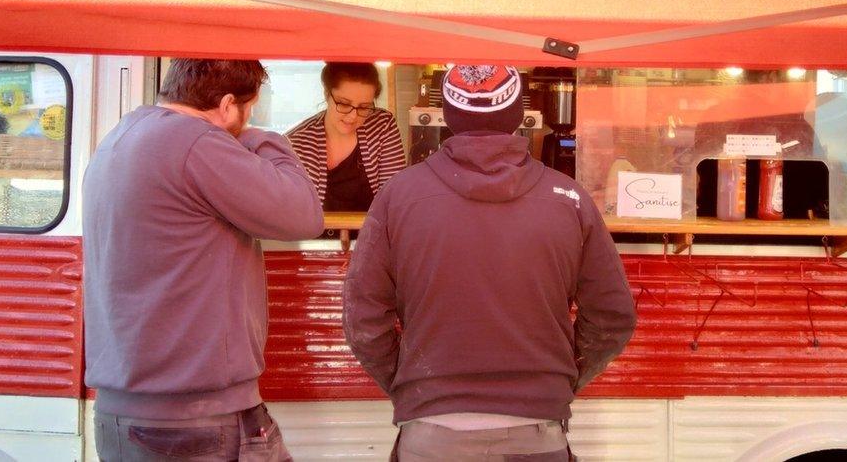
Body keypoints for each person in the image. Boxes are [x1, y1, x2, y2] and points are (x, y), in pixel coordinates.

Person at [342, 65, 637, 461]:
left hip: (431, 432)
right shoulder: (569, 198)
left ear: (448, 113)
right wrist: (559, 379)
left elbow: (362, 319)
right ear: (517, 115)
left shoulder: (398, 196)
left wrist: (411, 383)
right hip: (538, 431)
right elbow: (612, 316)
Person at [83, 58, 323, 462]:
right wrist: (261, 139)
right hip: (195, 419)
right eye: (250, 109)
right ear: (228, 105)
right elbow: (303, 213)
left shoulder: (121, 136)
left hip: (125, 414)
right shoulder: (197, 143)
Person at [287, 62, 405, 212]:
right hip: (312, 235)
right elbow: (292, 212)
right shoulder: (297, 142)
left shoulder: (382, 125)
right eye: (343, 104)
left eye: (363, 107)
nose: (352, 116)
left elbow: (394, 198)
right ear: (327, 94)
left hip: (371, 233)